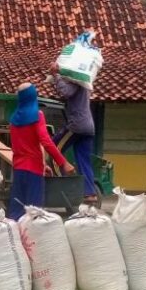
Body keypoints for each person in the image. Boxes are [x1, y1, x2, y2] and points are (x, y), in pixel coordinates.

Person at [8, 83, 74, 221]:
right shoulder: (37, 115)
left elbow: (20, 146)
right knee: (34, 214)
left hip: (18, 169)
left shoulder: (13, 119)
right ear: (33, 96)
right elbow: (46, 141)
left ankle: (14, 240)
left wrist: (44, 164)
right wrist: (63, 163)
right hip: (33, 171)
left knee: (16, 212)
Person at [49, 63, 98, 203]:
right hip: (89, 127)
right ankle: (90, 194)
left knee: (53, 150)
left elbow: (66, 92)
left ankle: (62, 185)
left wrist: (56, 75)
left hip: (77, 126)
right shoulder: (84, 83)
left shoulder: (76, 82)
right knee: (84, 160)